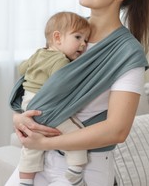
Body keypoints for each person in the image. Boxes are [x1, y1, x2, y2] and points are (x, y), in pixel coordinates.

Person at [6, 0, 149, 186]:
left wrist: (45, 142)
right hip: (37, 162)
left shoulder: (127, 53)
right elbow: (36, 84)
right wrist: (19, 117)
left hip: (85, 167)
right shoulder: (69, 31)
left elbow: (117, 130)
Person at [17, 11, 91, 186]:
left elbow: (22, 69)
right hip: (46, 105)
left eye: (86, 40)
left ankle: (25, 181)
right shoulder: (61, 61)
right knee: (76, 134)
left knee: (31, 143)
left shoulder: (38, 53)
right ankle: (75, 172)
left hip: (28, 104)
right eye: (78, 37)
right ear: (57, 38)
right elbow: (60, 86)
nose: (83, 44)